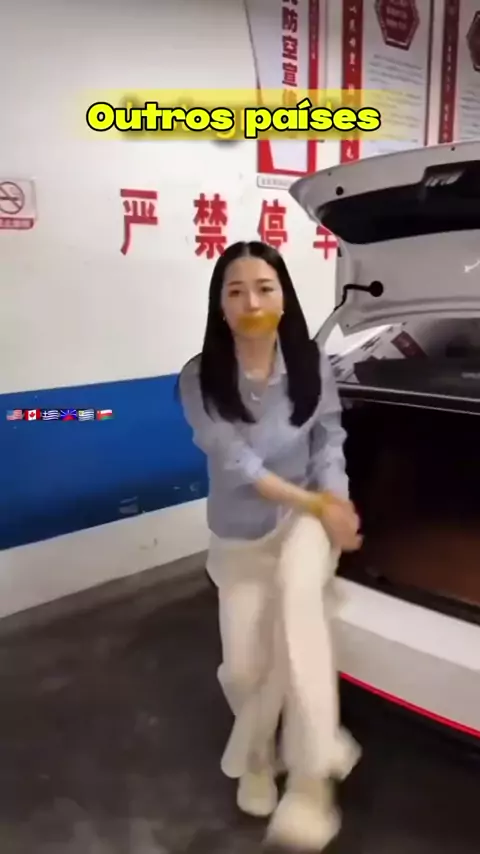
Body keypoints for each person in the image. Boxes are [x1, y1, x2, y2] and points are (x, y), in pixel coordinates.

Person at [178, 240, 362, 850]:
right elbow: (241, 466)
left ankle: (310, 786)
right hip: (241, 538)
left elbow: (329, 439)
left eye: (264, 288)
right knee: (246, 668)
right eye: (236, 291)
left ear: (284, 296)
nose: (252, 302)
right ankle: (259, 756)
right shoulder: (199, 379)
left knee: (300, 623)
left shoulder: (311, 362)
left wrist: (334, 501)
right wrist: (318, 504)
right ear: (220, 306)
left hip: (303, 525)